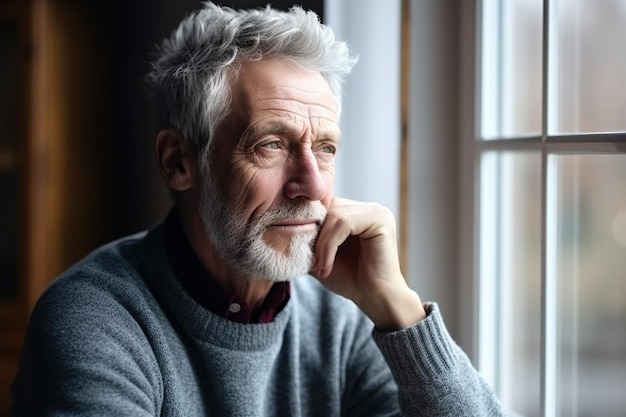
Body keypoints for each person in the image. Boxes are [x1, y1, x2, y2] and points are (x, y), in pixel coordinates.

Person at [11, 3, 504, 416]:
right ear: (178, 161)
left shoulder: (342, 321)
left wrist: (400, 310)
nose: (311, 184)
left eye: (326, 148)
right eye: (270, 144)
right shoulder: (94, 319)